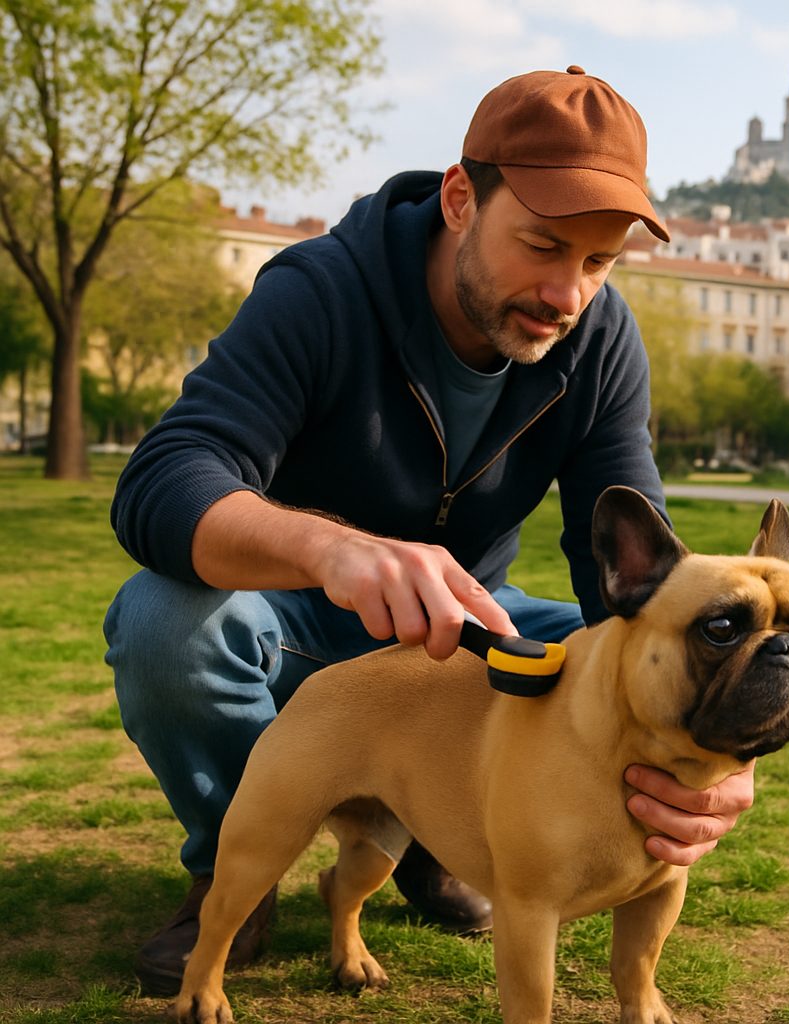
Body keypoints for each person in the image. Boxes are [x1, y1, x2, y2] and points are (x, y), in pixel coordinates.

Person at [104, 65, 755, 997]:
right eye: (542, 244)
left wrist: (709, 747)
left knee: (646, 657)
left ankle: (449, 829)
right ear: (460, 198)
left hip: (469, 637)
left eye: (599, 263)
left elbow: (624, 579)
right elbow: (165, 479)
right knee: (164, 624)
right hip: (289, 622)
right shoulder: (322, 291)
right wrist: (333, 551)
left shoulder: (600, 340)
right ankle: (232, 871)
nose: (569, 293)